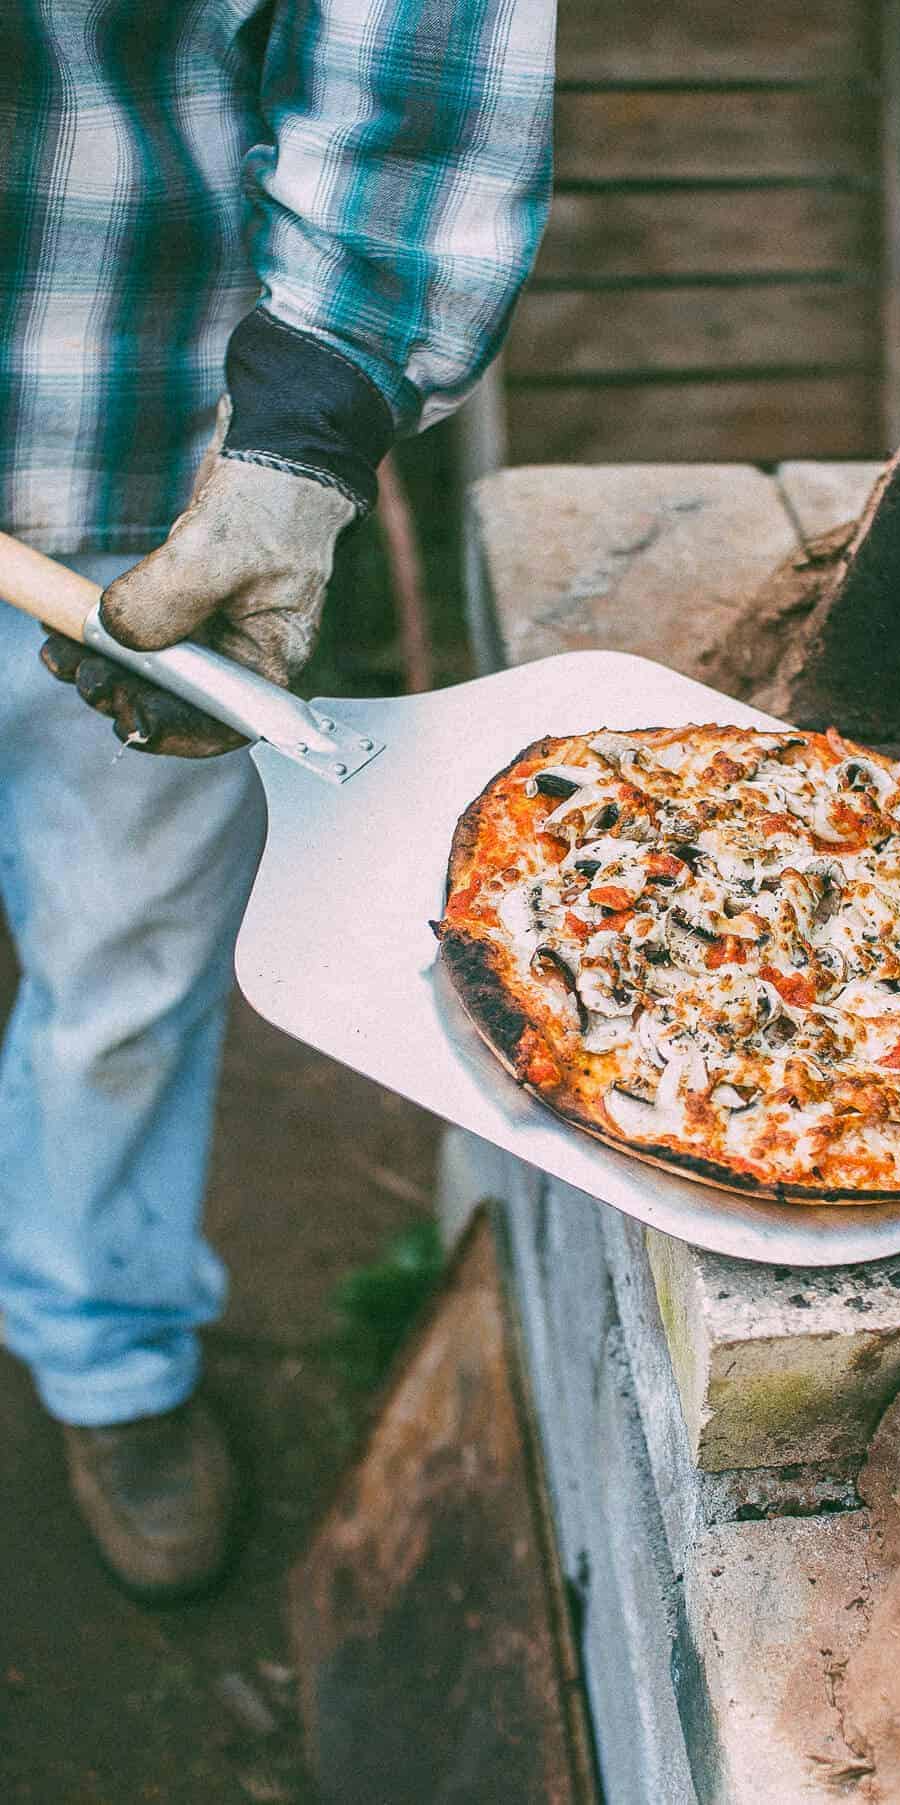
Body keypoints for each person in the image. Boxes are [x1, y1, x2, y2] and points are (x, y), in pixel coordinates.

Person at [0, 0, 555, 1600]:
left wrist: (297, 446)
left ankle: (105, 1355)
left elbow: (417, 51)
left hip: (138, 466)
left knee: (121, 981)